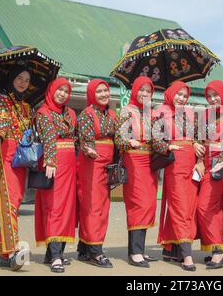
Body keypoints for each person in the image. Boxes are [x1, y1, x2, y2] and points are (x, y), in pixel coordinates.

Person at [152, 81, 201, 271]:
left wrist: (196, 143)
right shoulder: (160, 112)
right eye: (178, 94)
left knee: (188, 207)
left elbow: (199, 135)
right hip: (175, 164)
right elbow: (154, 138)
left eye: (184, 95)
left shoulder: (190, 113)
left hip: (191, 163)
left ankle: (173, 250)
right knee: (180, 206)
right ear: (170, 93)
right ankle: (187, 255)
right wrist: (166, 146)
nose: (181, 98)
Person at [0, 66, 32, 271]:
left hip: (21, 157)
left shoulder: (26, 106)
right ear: (11, 78)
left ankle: (1, 254)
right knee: (10, 203)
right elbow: (2, 121)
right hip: (4, 151)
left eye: (27, 79)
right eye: (19, 78)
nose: (23, 82)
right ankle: (12, 251)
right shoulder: (1, 99)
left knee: (14, 202)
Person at [34, 77, 77, 273]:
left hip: (70, 164)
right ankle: (56, 256)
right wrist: (50, 160)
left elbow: (75, 137)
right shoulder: (43, 112)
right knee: (54, 207)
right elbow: (48, 136)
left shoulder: (70, 113)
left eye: (66, 91)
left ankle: (52, 254)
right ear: (51, 90)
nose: (62, 94)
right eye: (59, 90)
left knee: (67, 208)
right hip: (55, 163)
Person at [115, 76, 158, 268]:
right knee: (137, 204)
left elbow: (156, 138)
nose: (144, 94)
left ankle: (140, 249)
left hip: (150, 163)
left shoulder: (150, 113)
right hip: (133, 160)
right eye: (141, 90)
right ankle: (135, 252)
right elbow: (118, 138)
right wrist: (128, 141)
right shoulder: (127, 111)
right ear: (135, 91)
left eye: (148, 91)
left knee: (148, 204)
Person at [196, 80, 223, 269]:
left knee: (205, 206)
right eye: (209, 96)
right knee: (212, 208)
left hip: (220, 166)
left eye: (216, 95)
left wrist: (222, 160)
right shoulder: (206, 115)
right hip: (204, 165)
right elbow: (197, 138)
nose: (213, 99)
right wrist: (194, 144)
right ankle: (216, 249)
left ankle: (219, 252)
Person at [76, 79, 115, 268]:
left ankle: (84, 248)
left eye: (105, 91)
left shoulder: (111, 114)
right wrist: (89, 149)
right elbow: (86, 139)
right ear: (91, 94)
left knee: (102, 206)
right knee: (93, 206)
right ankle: (96, 252)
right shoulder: (86, 114)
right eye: (98, 91)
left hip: (106, 165)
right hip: (91, 163)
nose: (103, 94)